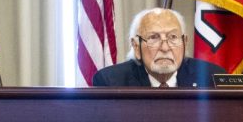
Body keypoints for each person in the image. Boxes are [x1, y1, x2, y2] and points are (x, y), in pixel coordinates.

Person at [91, 7, 224, 88]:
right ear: (136, 47)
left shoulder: (211, 78)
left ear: (185, 42)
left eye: (173, 37)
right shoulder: (111, 82)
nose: (165, 48)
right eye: (154, 38)